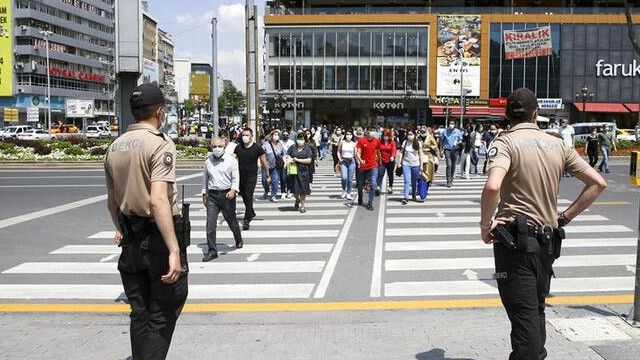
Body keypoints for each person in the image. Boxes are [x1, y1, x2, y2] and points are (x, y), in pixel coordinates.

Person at [480, 88, 606, 360]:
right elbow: (598, 183)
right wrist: (565, 217)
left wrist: (485, 224)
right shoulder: (558, 143)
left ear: (506, 114)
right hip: (547, 241)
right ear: (536, 113)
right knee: (536, 308)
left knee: (523, 315)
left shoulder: (505, 143)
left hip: (515, 243)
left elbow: (492, 187)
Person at [104, 83, 187, 360]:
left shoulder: (114, 147)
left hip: (129, 234)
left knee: (139, 312)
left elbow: (112, 201)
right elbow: (158, 200)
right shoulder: (159, 143)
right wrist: (174, 250)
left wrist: (120, 230)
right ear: (160, 112)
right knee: (164, 308)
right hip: (157, 237)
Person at [202, 136, 243, 262]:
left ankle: (238, 238)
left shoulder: (231, 160)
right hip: (213, 196)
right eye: (214, 147)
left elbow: (236, 178)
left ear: (224, 146)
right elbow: (205, 179)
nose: (217, 149)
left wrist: (233, 190)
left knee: (231, 221)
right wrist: (204, 194)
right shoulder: (208, 162)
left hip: (227, 195)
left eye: (219, 146)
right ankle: (212, 250)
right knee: (210, 224)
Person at [234, 128, 270, 230]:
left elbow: (263, 162)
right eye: (243, 135)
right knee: (244, 195)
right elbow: (233, 160)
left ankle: (247, 219)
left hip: (252, 175)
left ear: (251, 136)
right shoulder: (238, 147)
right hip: (240, 175)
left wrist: (267, 174)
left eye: (247, 135)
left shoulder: (257, 148)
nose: (245, 137)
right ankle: (251, 211)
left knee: (249, 195)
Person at [355, 128, 382, 210]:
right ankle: (360, 196)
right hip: (363, 166)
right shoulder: (361, 141)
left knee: (373, 184)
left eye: (373, 135)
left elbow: (378, 151)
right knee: (360, 185)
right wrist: (360, 159)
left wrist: (380, 161)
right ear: (367, 134)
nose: (372, 136)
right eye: (370, 134)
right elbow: (358, 152)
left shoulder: (377, 141)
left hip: (373, 166)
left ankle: (370, 203)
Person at [287, 133, 313, 213]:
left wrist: (298, 160)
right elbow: (287, 155)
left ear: (305, 140)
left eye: (302, 139)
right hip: (293, 171)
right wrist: (289, 159)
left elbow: (309, 160)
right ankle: (297, 199)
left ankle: (302, 205)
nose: (300, 141)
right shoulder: (293, 147)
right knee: (294, 190)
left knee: (303, 190)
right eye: (299, 139)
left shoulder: (307, 149)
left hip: (303, 171)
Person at [396, 130, 422, 204]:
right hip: (406, 164)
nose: (409, 136)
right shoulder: (405, 142)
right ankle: (406, 197)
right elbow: (401, 152)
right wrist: (399, 163)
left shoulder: (418, 143)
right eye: (408, 134)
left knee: (414, 181)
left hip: (415, 164)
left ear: (414, 135)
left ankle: (413, 195)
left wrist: (422, 165)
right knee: (407, 181)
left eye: (411, 134)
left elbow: (421, 154)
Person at [262, 130, 285, 202]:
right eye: (275, 134)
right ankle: (266, 190)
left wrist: (284, 161)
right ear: (271, 136)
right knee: (264, 181)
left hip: (276, 165)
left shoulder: (280, 144)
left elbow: (283, 153)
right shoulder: (266, 144)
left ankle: (273, 195)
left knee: (275, 181)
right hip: (266, 165)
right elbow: (261, 154)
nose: (276, 136)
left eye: (277, 135)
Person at [441, 120, 463, 187]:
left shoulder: (458, 131)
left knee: (453, 165)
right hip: (447, 149)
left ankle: (452, 178)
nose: (451, 125)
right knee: (449, 165)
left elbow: (461, 140)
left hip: (455, 150)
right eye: (450, 123)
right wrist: (441, 150)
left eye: (452, 123)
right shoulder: (445, 131)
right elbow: (442, 141)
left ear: (455, 125)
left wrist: (457, 142)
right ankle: (448, 181)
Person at [377, 129, 397, 195]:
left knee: (390, 174)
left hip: (390, 161)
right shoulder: (380, 142)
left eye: (387, 136)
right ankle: (378, 187)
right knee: (380, 173)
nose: (385, 137)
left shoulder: (392, 142)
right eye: (384, 136)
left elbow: (394, 150)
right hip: (382, 160)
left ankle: (390, 187)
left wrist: (392, 156)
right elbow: (378, 150)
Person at [337, 130, 357, 200]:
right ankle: (343, 190)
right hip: (344, 161)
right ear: (345, 135)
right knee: (344, 178)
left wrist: (359, 161)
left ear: (352, 135)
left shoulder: (354, 143)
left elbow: (355, 154)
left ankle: (348, 193)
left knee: (350, 179)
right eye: (347, 134)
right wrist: (340, 159)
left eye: (350, 134)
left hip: (351, 161)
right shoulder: (342, 142)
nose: (348, 136)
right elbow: (338, 151)